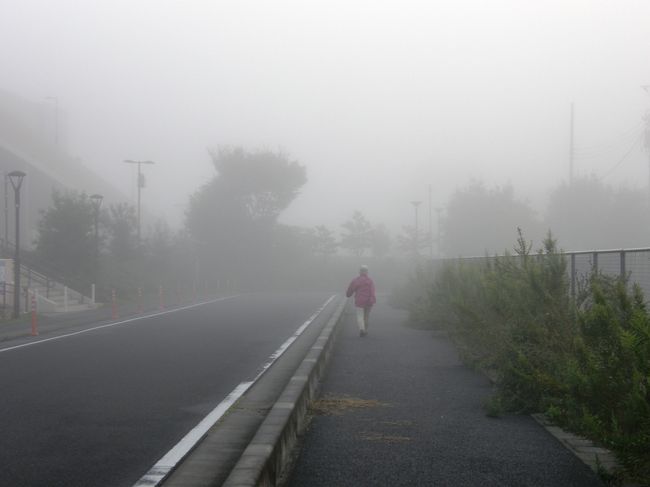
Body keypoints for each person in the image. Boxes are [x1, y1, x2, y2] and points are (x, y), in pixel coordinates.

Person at [346, 265, 376, 337]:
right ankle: (365, 330)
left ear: (359, 271)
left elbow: (351, 289)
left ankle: (362, 329)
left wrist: (348, 294)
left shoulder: (356, 280)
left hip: (359, 301)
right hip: (369, 301)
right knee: (366, 316)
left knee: (360, 316)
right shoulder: (370, 281)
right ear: (367, 272)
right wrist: (372, 299)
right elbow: (372, 291)